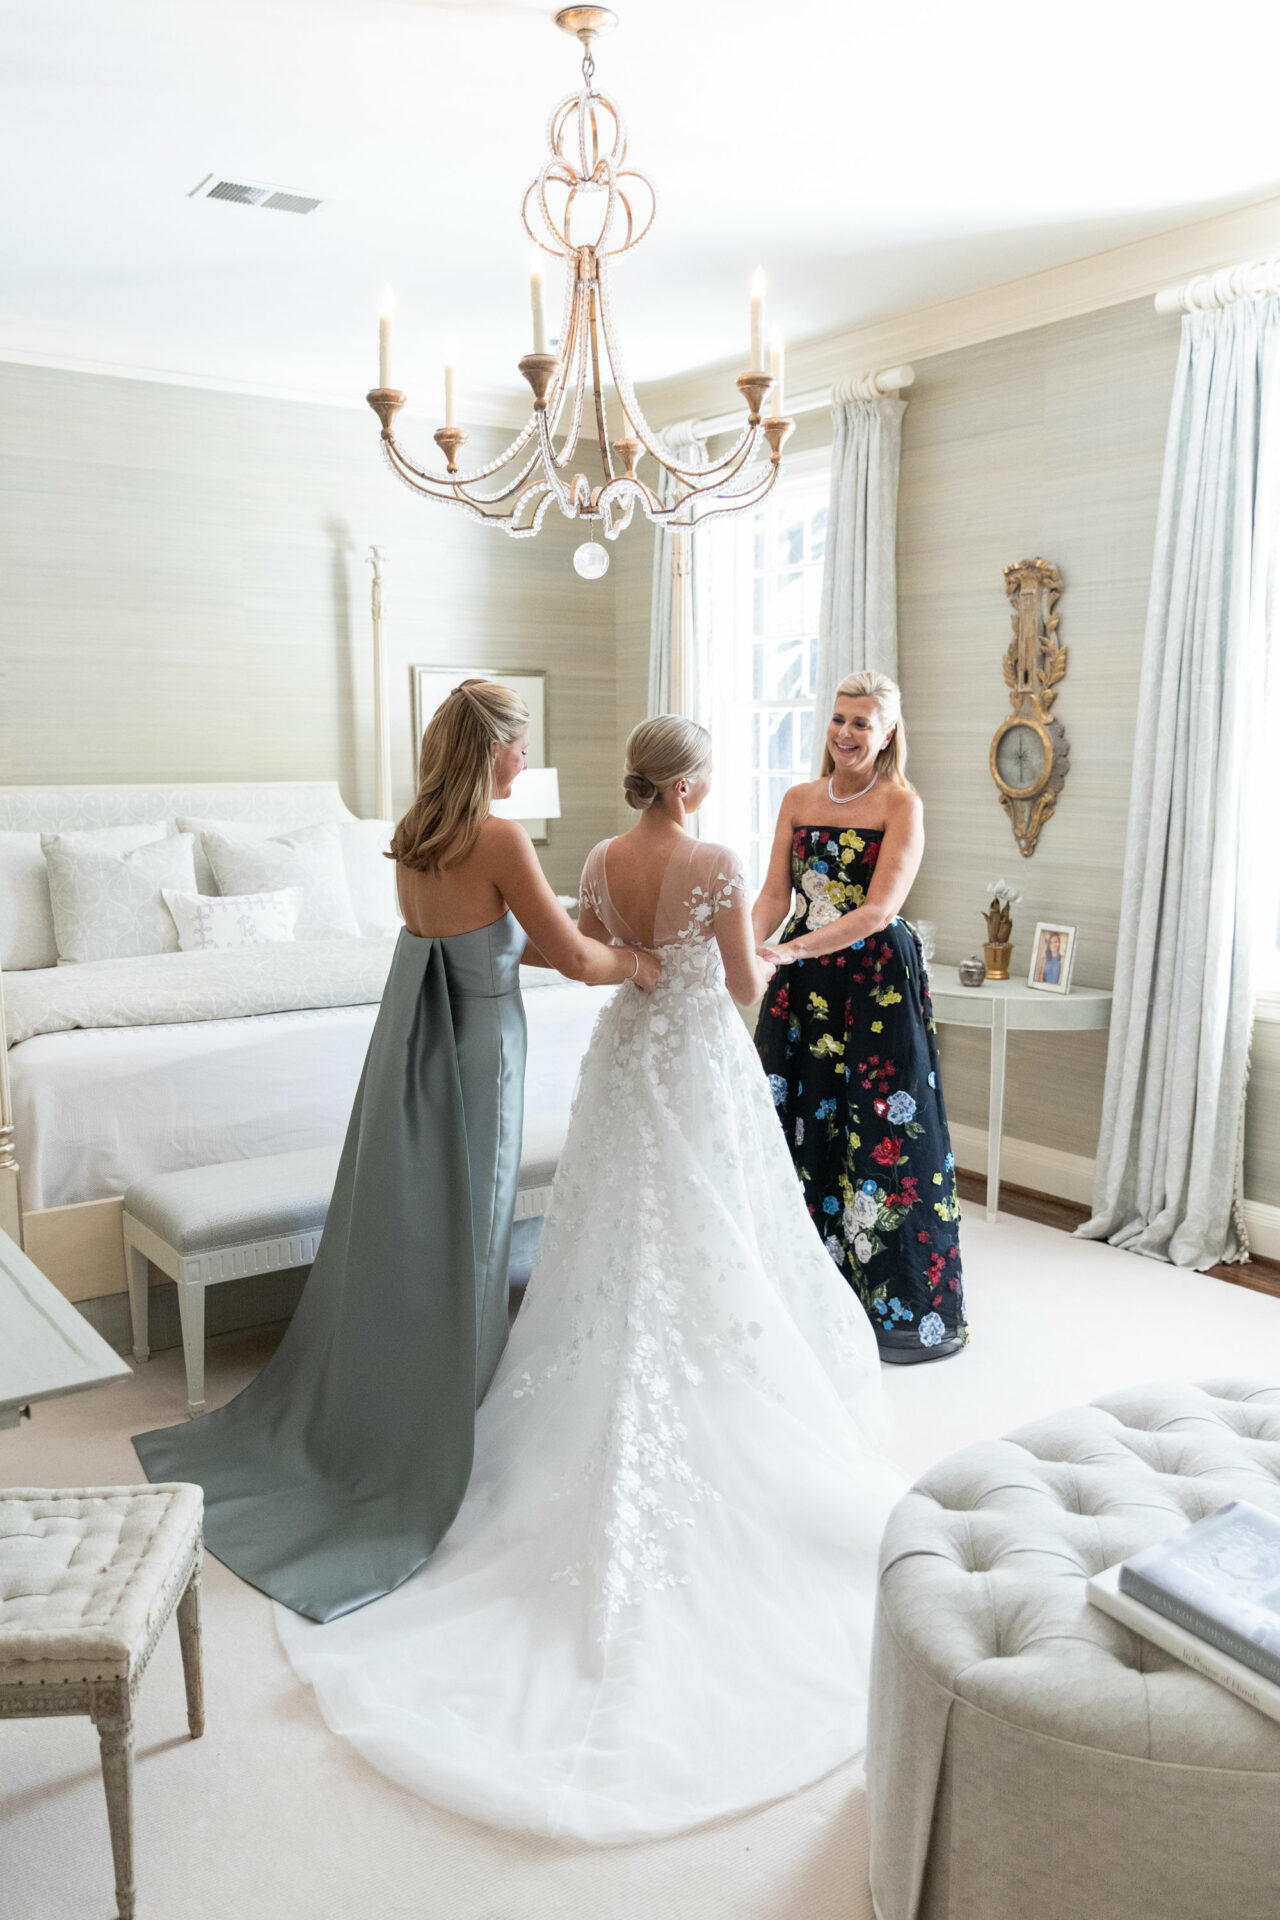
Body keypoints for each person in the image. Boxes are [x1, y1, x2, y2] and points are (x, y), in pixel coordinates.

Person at [274, 715, 905, 1843]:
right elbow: (741, 985)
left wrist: (633, 971)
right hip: (692, 1053)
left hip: (623, 1055)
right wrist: (746, 963)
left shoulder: (599, 859)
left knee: (609, 1236)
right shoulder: (709, 861)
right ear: (694, 784)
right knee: (717, 1226)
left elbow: (561, 946)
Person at [134, 680, 657, 1623]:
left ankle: (402, 1387)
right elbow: (572, 961)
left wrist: (577, 938)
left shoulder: (417, 829)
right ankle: (458, 1415)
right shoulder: (497, 838)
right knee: (476, 1224)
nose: (525, 760)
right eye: (520, 744)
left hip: (416, 1046)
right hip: (482, 1047)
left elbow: (484, 939)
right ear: (491, 748)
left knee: (423, 1223)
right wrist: (641, 963)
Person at [752, 670, 967, 1363]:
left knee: (882, 1134)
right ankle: (800, 1299)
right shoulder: (798, 798)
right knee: (793, 1124)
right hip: (803, 980)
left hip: (874, 984)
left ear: (888, 733)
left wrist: (788, 950)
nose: (846, 734)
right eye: (839, 719)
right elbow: (772, 894)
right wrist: (753, 950)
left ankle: (898, 1313)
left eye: (862, 724)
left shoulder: (902, 804)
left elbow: (875, 912)